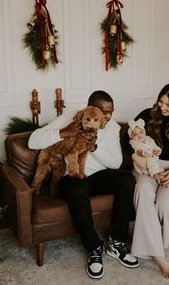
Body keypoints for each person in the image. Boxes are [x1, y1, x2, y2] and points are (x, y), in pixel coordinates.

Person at [28, 90, 139, 279]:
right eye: (104, 112)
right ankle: (93, 247)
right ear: (90, 109)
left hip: (97, 176)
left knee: (127, 179)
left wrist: (93, 148)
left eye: (111, 111)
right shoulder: (70, 118)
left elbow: (115, 163)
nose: (108, 117)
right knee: (77, 187)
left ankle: (117, 242)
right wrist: (64, 132)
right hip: (70, 176)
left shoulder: (112, 127)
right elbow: (33, 141)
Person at [122, 82, 169, 279]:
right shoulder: (148, 115)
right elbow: (126, 137)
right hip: (147, 164)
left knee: (165, 204)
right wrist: (136, 155)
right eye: (161, 102)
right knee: (143, 191)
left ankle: (156, 244)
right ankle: (159, 255)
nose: (163, 107)